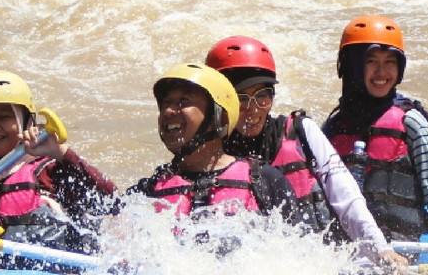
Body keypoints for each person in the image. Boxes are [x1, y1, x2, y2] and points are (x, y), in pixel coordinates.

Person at [204, 36, 407, 269]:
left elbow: (347, 197)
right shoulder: (209, 154)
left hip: (323, 265)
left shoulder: (301, 132)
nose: (252, 109)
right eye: (241, 98)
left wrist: (379, 247)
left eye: (262, 96)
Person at [321, 15, 428, 251]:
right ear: (352, 66)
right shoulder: (332, 128)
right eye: (371, 61)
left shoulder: (411, 122)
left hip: (399, 246)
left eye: (390, 62)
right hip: (347, 246)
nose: (382, 72)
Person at [0, 69, 118, 270]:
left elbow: (110, 203)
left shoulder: (50, 172)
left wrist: (62, 153)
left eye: (4, 116)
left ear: (27, 122)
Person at [129, 62, 304, 231]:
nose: (168, 111)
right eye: (166, 103)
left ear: (220, 118)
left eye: (183, 101)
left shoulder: (264, 181)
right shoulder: (148, 191)